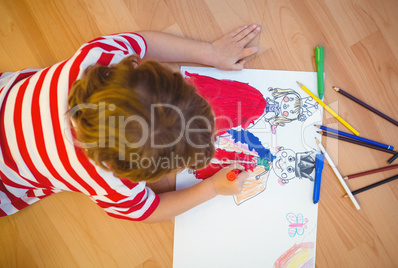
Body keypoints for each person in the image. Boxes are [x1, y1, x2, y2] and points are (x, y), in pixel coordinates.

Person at [0, 24, 261, 223]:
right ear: (132, 173)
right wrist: (212, 187)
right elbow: (150, 210)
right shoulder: (107, 182)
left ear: (137, 68)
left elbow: (143, 42)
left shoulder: (98, 57)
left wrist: (211, 52)